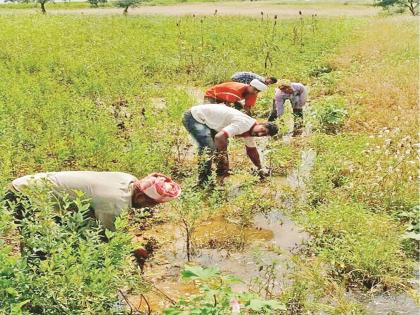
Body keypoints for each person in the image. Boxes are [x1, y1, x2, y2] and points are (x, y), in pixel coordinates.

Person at [7, 171, 181, 232]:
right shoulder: (115, 203)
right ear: (141, 196)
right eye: (151, 204)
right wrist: (133, 249)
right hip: (22, 194)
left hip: (32, 182)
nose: (149, 208)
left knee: (75, 227)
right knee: (35, 241)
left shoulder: (128, 179)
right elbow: (108, 235)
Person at [183, 104, 278, 186]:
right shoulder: (244, 124)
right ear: (260, 124)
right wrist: (223, 158)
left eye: (264, 135)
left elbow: (252, 151)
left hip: (208, 121)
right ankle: (204, 181)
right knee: (208, 147)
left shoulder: (251, 130)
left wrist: (259, 168)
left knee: (221, 144)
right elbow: (219, 137)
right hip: (194, 117)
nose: (260, 134)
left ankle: (220, 171)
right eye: (262, 130)